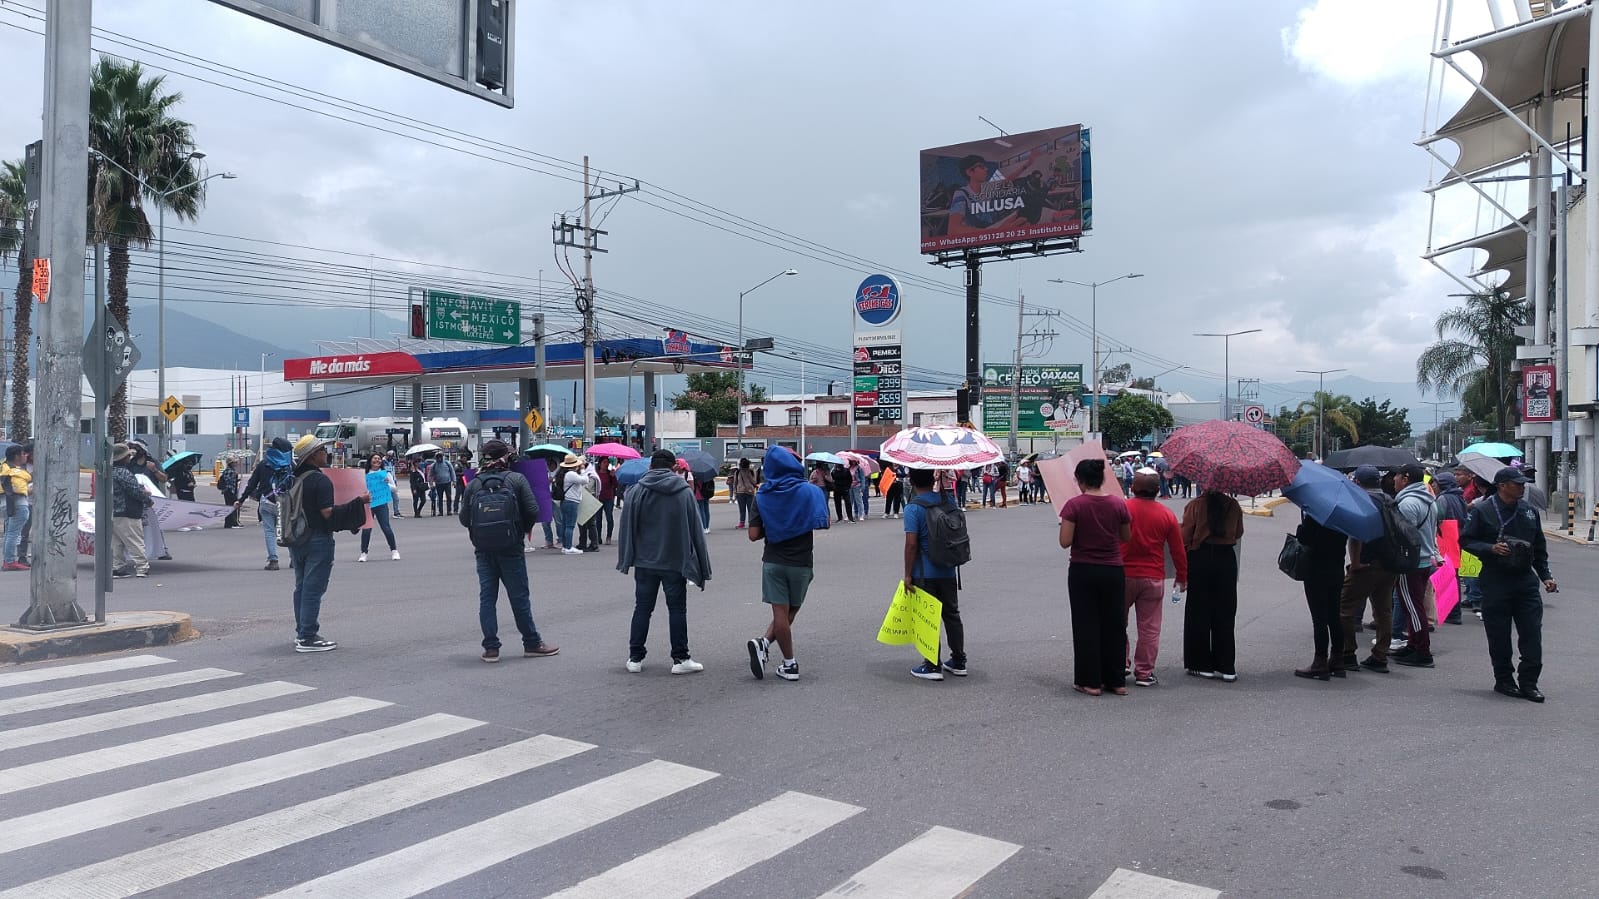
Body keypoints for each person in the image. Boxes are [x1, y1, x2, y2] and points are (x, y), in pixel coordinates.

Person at [1460, 467, 1557, 702]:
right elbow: (1466, 540)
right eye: (1517, 483)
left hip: (1525, 581)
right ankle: (1504, 679)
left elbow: (1539, 548)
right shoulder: (1483, 510)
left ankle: (1529, 683)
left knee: (1532, 634)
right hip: (1496, 580)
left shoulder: (1529, 512)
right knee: (1499, 635)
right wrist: (1490, 548)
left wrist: (1546, 576)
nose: (1522, 487)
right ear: (1502, 485)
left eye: (1523, 483)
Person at [458, 438, 559, 662]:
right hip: (511, 547)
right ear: (506, 456)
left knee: (487, 598)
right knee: (519, 597)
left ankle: (491, 648)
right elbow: (533, 509)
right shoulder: (516, 479)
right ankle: (532, 643)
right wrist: (520, 530)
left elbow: (464, 519)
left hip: (483, 549)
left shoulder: (474, 483)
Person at [616, 448, 712, 674]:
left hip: (644, 561)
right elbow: (696, 530)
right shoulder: (683, 492)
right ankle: (680, 659)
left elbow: (627, 528)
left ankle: (635, 658)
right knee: (677, 610)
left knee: (642, 609)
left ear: (650, 466)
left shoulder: (636, 491)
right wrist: (701, 565)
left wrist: (627, 558)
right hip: (674, 561)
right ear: (674, 467)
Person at [745, 447, 829, 681]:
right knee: (790, 613)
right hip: (802, 562)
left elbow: (752, 534)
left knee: (780, 613)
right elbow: (824, 521)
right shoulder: (811, 492)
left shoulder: (762, 495)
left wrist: (774, 526)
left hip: (773, 560)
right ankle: (787, 663)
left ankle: (767, 646)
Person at [286, 435, 370, 653]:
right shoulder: (320, 480)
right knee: (313, 588)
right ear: (313, 455)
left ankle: (301, 631)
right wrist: (358, 503)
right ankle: (308, 636)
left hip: (298, 538)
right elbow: (327, 514)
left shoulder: (296, 478)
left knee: (302, 587)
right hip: (317, 539)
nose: (326, 453)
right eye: (322, 450)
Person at [1059, 459, 1132, 696]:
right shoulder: (1118, 504)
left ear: (1080, 481)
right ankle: (1116, 681)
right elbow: (1126, 536)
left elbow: (1065, 542)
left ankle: (1090, 681)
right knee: (1114, 625)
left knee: (1086, 624)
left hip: (1083, 569)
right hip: (1113, 569)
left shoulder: (1074, 505)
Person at [1121, 469, 1186, 687]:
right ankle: (1144, 673)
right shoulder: (1166, 515)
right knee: (1149, 628)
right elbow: (1178, 551)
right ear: (1158, 490)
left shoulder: (1123, 509)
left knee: (1117, 623)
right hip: (1153, 577)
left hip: (1122, 575)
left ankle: (1120, 663)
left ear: (1132, 487)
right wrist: (1182, 577)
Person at [902, 467, 968, 681]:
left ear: (911, 480)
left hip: (924, 572)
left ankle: (932, 665)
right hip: (948, 569)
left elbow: (911, 544)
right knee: (952, 615)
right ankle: (959, 661)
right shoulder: (948, 501)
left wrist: (907, 575)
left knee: (927, 619)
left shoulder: (913, 508)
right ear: (933, 478)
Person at [1336, 465, 1400, 675]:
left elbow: (1357, 536)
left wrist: (1354, 563)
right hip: (1389, 564)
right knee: (1383, 611)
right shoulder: (1391, 501)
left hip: (1366, 564)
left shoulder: (1362, 501)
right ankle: (1380, 656)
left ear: (1357, 482)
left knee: (1344, 608)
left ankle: (1348, 653)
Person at [1180, 485, 1244, 681]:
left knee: (1198, 612)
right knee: (1225, 612)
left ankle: (1200, 664)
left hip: (1200, 558)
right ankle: (1226, 667)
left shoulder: (1195, 505)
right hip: (1226, 560)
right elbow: (1239, 532)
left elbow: (1184, 536)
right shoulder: (1233, 506)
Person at [1390, 464, 1440, 669]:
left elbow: (1403, 536)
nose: (1394, 480)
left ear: (1406, 479)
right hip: (1424, 560)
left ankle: (1422, 650)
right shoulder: (1428, 500)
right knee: (1413, 605)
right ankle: (1413, 644)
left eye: (1397, 476)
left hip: (1411, 562)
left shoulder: (1408, 503)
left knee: (1413, 607)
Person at [1293, 512, 1350, 680]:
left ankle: (1320, 661)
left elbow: (1304, 539)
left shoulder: (1316, 516)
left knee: (1319, 619)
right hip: (1336, 571)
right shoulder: (1343, 517)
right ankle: (1337, 659)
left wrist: (1302, 526)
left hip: (1316, 572)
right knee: (1334, 617)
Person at [236, 436, 295, 571]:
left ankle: (273, 560)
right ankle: (293, 559)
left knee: (270, 531)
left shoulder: (264, 464)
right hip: (285, 503)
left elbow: (252, 484)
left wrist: (241, 500)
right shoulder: (290, 465)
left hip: (267, 501)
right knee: (288, 531)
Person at [107, 443, 153, 578]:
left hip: (112, 512)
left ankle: (118, 567)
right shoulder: (124, 473)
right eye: (128, 455)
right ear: (122, 458)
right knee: (135, 540)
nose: (130, 457)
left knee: (116, 543)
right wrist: (147, 499)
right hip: (128, 511)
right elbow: (134, 491)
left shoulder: (109, 473)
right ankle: (142, 568)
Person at [357, 452, 400, 563]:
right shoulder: (365, 474)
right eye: (375, 459)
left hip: (381, 503)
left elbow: (394, 488)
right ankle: (364, 552)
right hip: (369, 503)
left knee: (386, 527)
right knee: (367, 528)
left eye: (379, 459)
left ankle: (394, 550)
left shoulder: (385, 474)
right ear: (370, 461)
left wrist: (386, 484)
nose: (377, 460)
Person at [1, 443, 32, 571]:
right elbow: (20, 487)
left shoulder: (3, 468)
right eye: (23, 454)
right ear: (16, 456)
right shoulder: (16, 472)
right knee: (14, 533)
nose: (25, 456)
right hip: (18, 505)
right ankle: (9, 561)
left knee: (9, 533)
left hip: (6, 504)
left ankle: (8, 559)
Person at [554, 454, 585, 555]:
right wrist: (583, 469)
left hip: (565, 501)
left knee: (564, 524)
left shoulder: (563, 473)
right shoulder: (571, 474)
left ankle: (565, 545)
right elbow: (585, 480)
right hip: (572, 501)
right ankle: (568, 547)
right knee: (570, 525)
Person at [596, 456, 618, 545]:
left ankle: (609, 536)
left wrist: (613, 477)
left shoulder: (610, 474)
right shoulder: (596, 474)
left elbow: (616, 485)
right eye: (604, 462)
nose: (606, 464)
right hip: (598, 498)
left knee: (609, 517)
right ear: (600, 464)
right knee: (598, 519)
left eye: (607, 462)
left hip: (608, 498)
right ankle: (598, 537)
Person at [731, 457, 759, 529]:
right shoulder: (738, 472)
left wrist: (734, 492)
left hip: (742, 492)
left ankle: (743, 523)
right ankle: (749, 523)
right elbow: (754, 482)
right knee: (746, 509)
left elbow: (735, 483)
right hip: (748, 491)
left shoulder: (745, 472)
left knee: (746, 509)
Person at [431, 452, 457, 516]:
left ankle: (449, 511)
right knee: (440, 498)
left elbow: (452, 472)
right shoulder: (434, 465)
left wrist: (454, 481)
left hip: (447, 482)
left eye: (440, 457)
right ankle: (440, 511)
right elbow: (431, 474)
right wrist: (431, 483)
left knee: (448, 497)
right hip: (438, 483)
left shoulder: (447, 463)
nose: (439, 459)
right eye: (438, 458)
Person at [218, 462, 241, 529]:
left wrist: (237, 479)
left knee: (231, 506)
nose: (236, 464)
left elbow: (232, 481)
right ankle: (231, 523)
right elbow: (229, 481)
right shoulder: (229, 471)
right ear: (231, 463)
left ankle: (231, 523)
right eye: (235, 463)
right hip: (229, 491)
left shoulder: (231, 471)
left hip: (230, 491)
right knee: (232, 506)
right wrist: (235, 476)